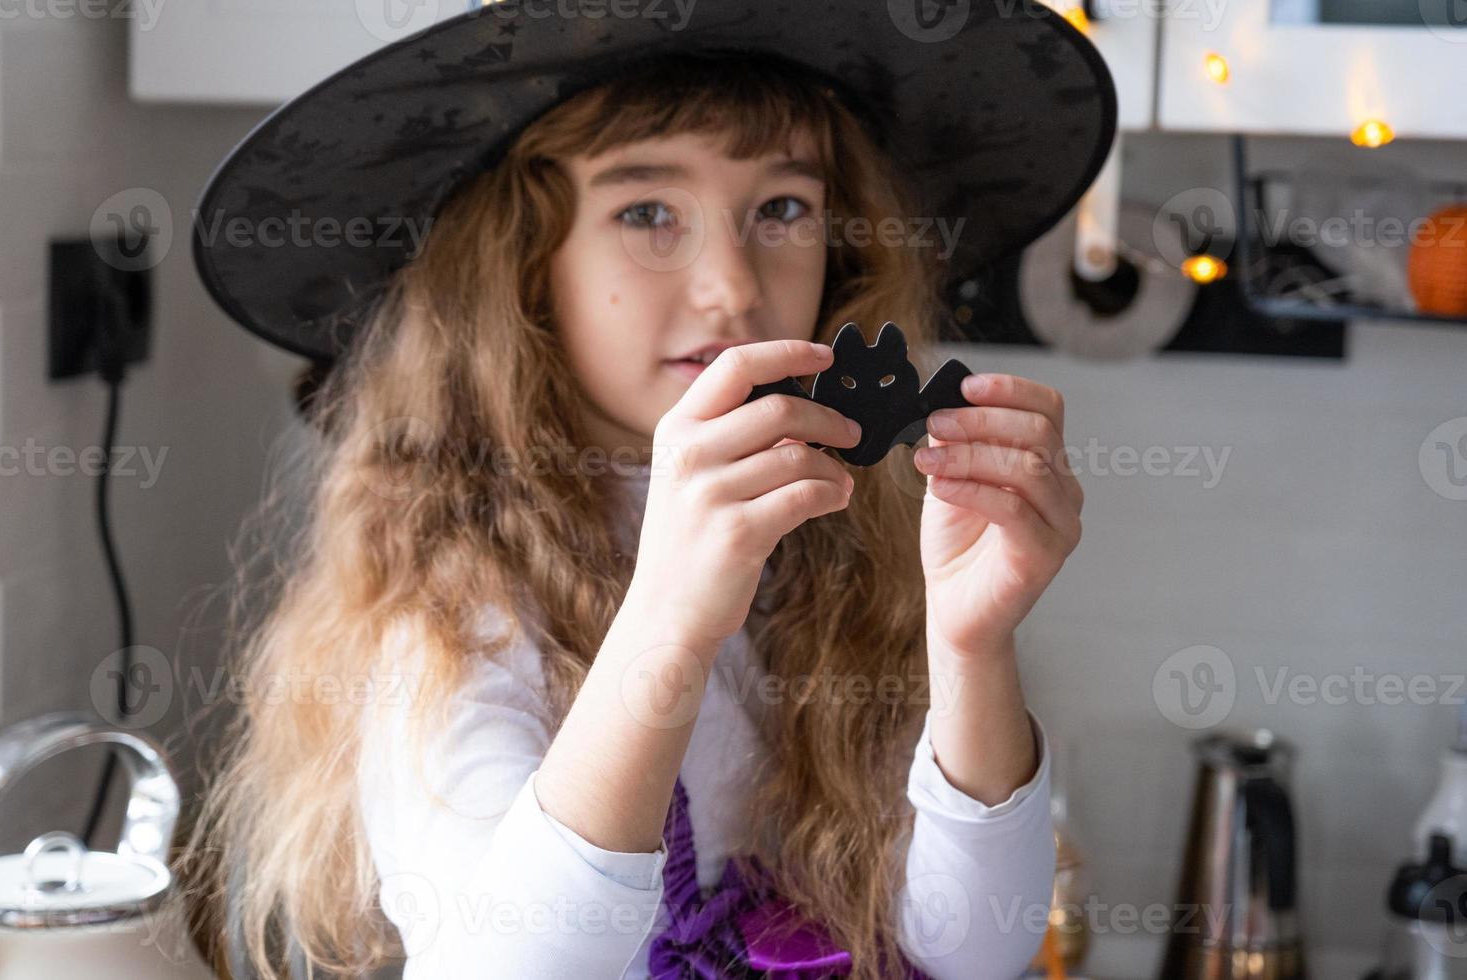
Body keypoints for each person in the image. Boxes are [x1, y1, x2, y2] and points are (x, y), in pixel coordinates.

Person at [178, 4, 1112, 980]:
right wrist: (668, 617)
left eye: (782, 208)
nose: (730, 287)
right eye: (647, 212)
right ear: (524, 266)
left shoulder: (844, 554)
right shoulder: (452, 608)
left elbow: (973, 949)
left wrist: (971, 645)